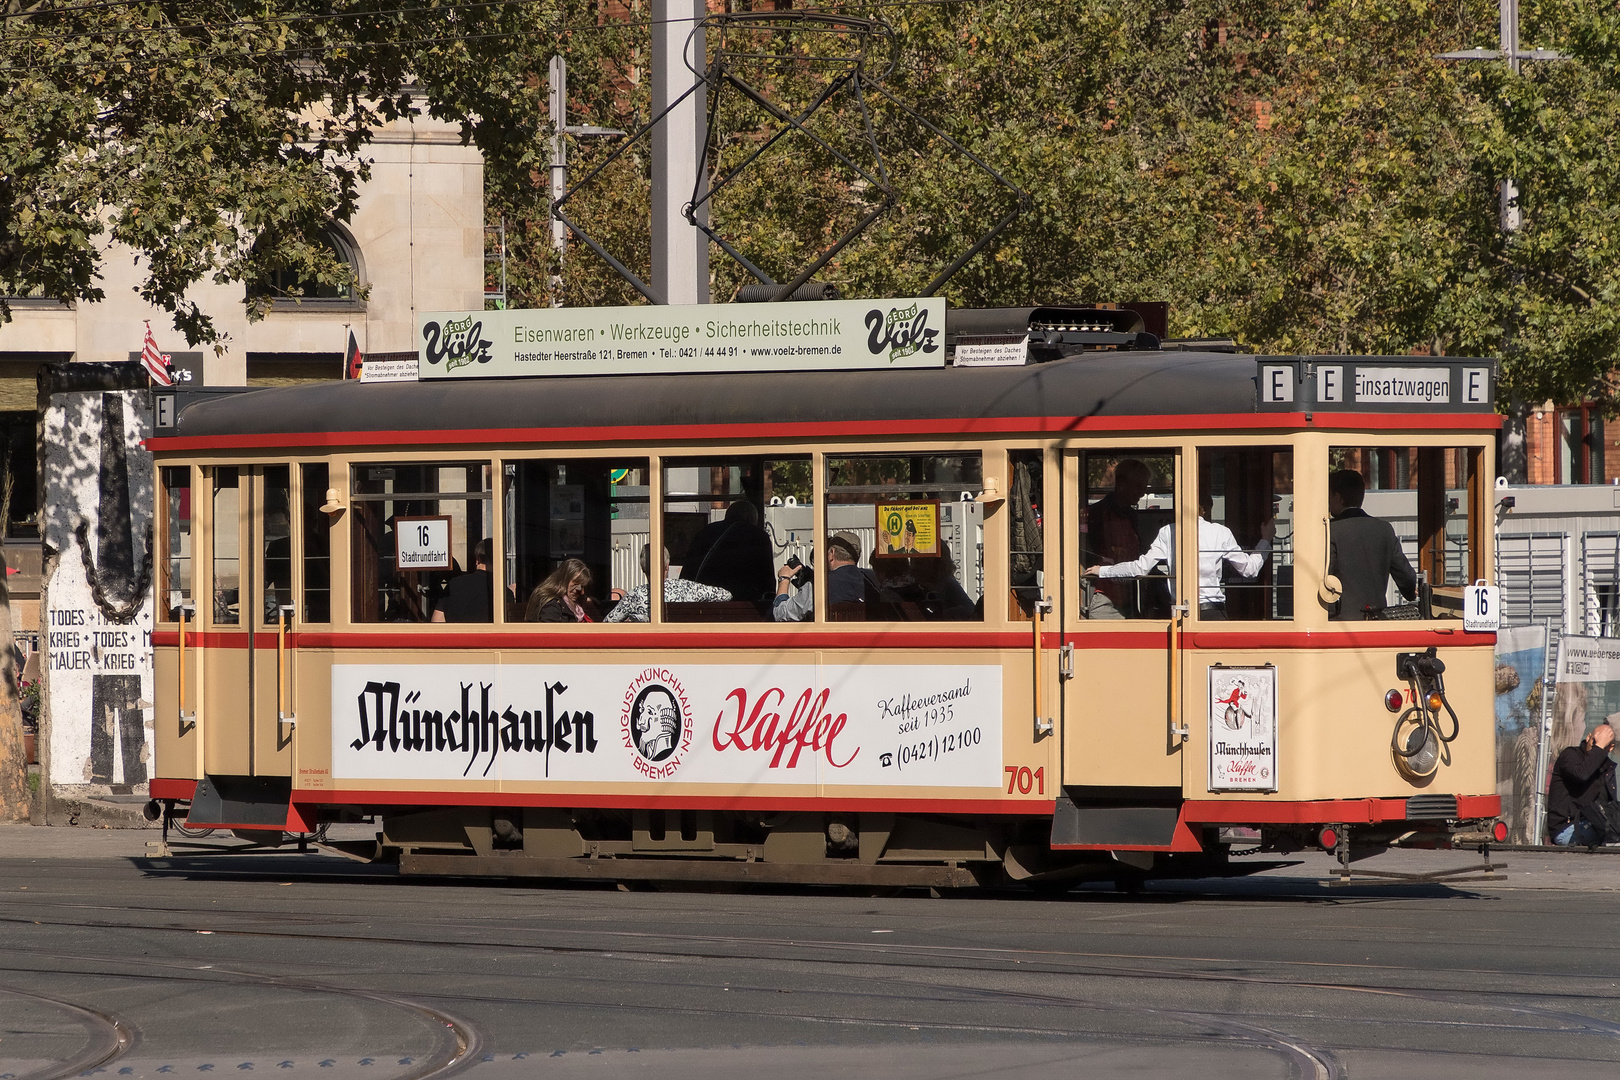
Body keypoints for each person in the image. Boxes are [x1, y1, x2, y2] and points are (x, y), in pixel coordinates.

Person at [1085, 491, 1273, 619]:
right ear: (1206, 508)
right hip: (1213, 613)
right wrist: (1265, 539)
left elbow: (1140, 568)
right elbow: (1250, 570)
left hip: (1180, 613)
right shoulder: (1220, 532)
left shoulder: (1168, 532)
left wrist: (1103, 571)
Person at [1327, 469, 1417, 620]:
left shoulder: (1330, 530)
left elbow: (1322, 574)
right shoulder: (1385, 529)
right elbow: (1407, 577)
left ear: (1337, 496)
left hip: (1339, 622)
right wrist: (1409, 593)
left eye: (1329, 496)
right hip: (1377, 619)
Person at [1084, 458, 1151, 618]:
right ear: (1122, 483)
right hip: (1102, 593)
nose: (1142, 493)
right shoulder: (1095, 514)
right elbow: (1085, 552)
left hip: (1129, 592)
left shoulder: (1132, 516)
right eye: (1138, 487)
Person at [604, 545, 732, 622]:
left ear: (643, 568)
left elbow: (608, 622)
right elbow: (726, 595)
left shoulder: (635, 595)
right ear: (667, 566)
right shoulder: (688, 588)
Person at [680, 500, 775, 601]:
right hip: (743, 601)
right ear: (750, 518)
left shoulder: (706, 531)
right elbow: (767, 575)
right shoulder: (758, 535)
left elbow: (689, 567)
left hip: (703, 598)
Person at [1547, 722, 1618, 846]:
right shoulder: (1570, 755)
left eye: (1602, 744)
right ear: (1588, 737)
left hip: (1595, 825)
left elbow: (1609, 806)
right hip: (1568, 827)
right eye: (1594, 741)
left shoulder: (1607, 768)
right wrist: (1600, 747)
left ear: (1610, 748)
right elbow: (1581, 774)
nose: (1595, 746)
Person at [774, 531, 867, 622]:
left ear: (832, 553)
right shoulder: (868, 580)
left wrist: (784, 579)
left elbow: (780, 614)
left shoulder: (821, 585)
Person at [432, 538, 495, 623]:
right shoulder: (503, 593)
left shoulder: (453, 585)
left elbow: (437, 621)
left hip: (456, 635)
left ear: (477, 560)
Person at [525, 558, 593, 622]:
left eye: (582, 586)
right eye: (576, 585)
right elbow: (549, 632)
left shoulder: (577, 607)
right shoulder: (551, 605)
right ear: (563, 580)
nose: (581, 592)